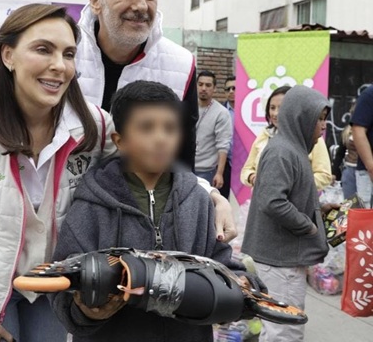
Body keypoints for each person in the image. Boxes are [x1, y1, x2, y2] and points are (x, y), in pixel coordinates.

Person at [0, 0, 238, 242]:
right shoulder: (61, 51)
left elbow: (178, 162)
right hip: (44, 228)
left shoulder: (181, 65)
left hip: (125, 229)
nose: (141, 4)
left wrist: (211, 195)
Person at [0, 4, 116, 342]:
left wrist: (208, 193)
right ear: (8, 56)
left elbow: (149, 164)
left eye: (69, 53)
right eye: (43, 49)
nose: (59, 66)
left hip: (54, 282)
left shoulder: (96, 126)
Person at [52, 81, 260, 342]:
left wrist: (242, 287)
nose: (161, 138)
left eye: (170, 128)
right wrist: (87, 312)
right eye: (147, 127)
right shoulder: (90, 207)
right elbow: (62, 290)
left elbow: (223, 265)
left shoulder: (197, 201)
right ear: (120, 140)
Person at [241, 86, 336, 342]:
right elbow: (272, 202)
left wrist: (319, 211)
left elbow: (289, 197)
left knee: (285, 327)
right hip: (278, 260)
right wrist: (308, 226)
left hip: (285, 258)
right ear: (299, 117)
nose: (323, 125)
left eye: (324, 118)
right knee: (284, 330)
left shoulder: (294, 149)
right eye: (318, 118)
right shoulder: (282, 151)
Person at [241, 85, 333, 191]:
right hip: (262, 200)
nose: (275, 113)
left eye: (281, 108)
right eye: (272, 108)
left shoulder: (312, 138)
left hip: (297, 203)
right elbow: (246, 170)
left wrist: (290, 186)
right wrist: (254, 178)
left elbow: (324, 176)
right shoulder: (265, 135)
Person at [194, 71, 232, 193]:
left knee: (202, 208)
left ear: (214, 88)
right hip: (183, 168)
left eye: (208, 85)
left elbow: (223, 145)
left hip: (206, 171)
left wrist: (219, 173)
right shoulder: (186, 107)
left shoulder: (221, 113)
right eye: (200, 84)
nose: (203, 88)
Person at [331, 102, 358, 199]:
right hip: (349, 170)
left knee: (365, 204)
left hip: (365, 171)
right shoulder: (347, 131)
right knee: (349, 202)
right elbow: (340, 154)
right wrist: (334, 172)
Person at [352, 84, 373, 207]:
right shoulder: (369, 94)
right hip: (368, 174)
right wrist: (371, 167)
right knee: (366, 223)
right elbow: (358, 130)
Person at [221, 76, 235, 198]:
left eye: (234, 88)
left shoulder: (248, 110)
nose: (231, 91)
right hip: (225, 164)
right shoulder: (220, 111)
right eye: (228, 89)